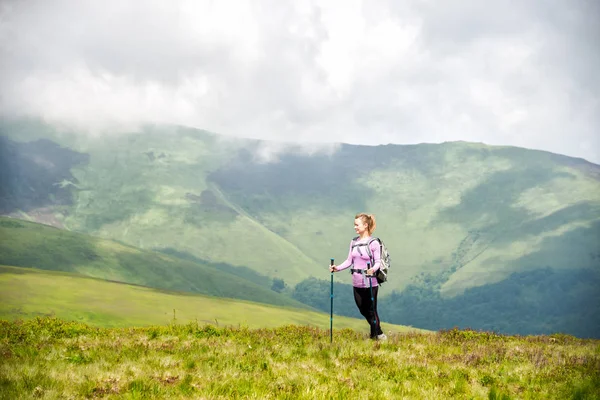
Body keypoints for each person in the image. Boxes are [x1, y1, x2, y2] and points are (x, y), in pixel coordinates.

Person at [329, 213, 386, 340]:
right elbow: (349, 261)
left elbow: (378, 262)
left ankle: (375, 336)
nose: (355, 227)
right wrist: (337, 268)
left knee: (372, 310)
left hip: (370, 282)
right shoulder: (354, 242)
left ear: (365, 225)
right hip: (356, 281)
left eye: (357, 225)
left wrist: (372, 270)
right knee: (363, 310)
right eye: (354, 225)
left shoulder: (374, 243)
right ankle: (380, 333)